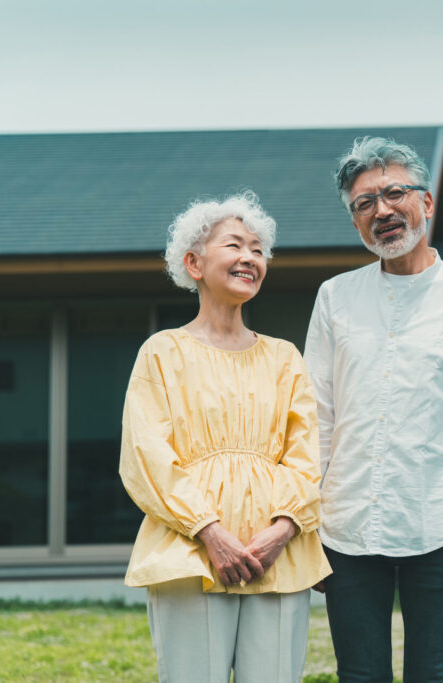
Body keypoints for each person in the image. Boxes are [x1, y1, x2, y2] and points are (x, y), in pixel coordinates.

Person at [305, 137, 443, 682]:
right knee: (358, 675)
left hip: (442, 524)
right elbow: (315, 417)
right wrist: (308, 521)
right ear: (354, 223)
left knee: (433, 675)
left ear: (426, 203)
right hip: (346, 523)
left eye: (394, 193)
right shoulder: (334, 296)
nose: (382, 211)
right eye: (363, 204)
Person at [120, 191, 331, 683]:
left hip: (277, 556)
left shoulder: (285, 357)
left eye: (258, 250)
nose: (250, 258)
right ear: (193, 263)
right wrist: (210, 533)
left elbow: (306, 456)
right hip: (189, 552)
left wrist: (282, 531)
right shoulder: (161, 352)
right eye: (234, 245)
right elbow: (145, 455)